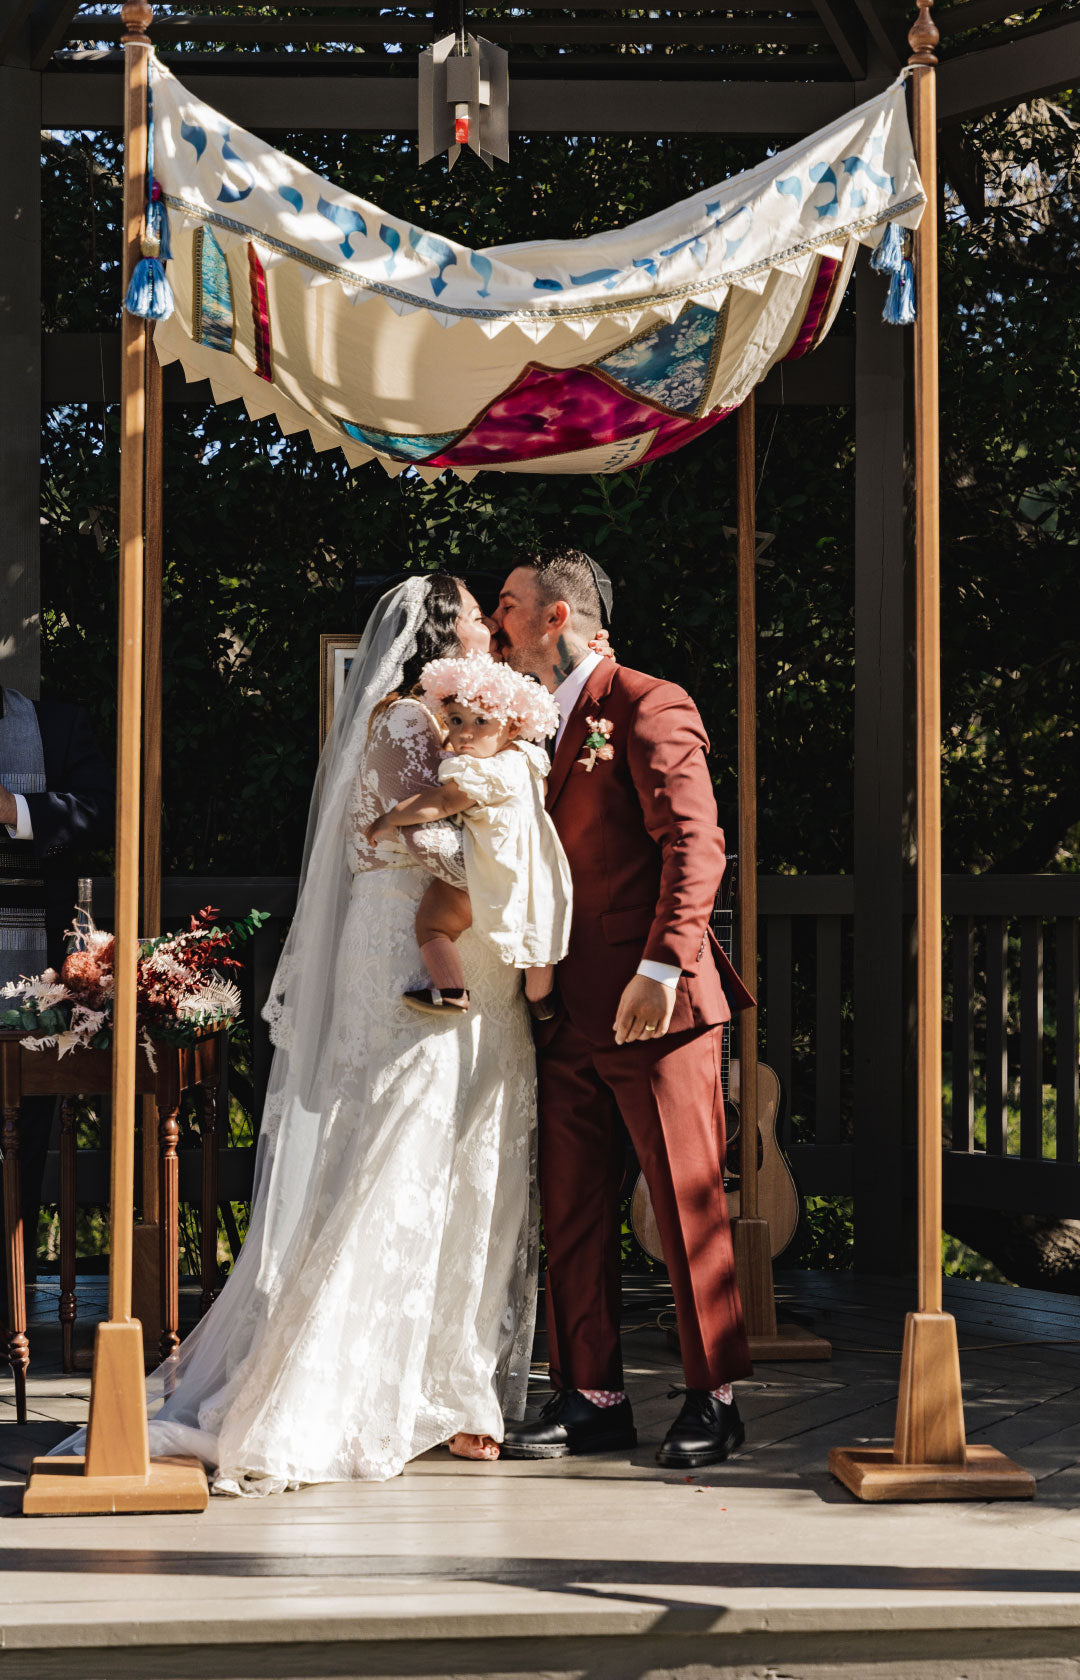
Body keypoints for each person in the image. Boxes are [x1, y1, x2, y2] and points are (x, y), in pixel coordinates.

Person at [57, 574, 540, 1486]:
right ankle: (327, 1385)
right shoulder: (401, 721)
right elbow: (408, 845)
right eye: (477, 613)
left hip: (450, 948)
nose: (488, 628)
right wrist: (503, 817)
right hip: (397, 949)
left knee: (453, 1158)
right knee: (391, 1153)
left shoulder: (455, 730)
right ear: (442, 631)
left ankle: (437, 1386)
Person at [492, 547, 756, 1470]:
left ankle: (713, 1398)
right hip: (562, 1008)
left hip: (657, 1010)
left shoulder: (647, 702)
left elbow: (697, 844)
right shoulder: (525, 725)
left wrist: (664, 964)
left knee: (687, 1208)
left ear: (556, 616)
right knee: (570, 1213)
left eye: (510, 606)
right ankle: (592, 1395)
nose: (496, 622)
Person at [364, 652, 571, 1022]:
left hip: (489, 868)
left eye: (481, 721)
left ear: (511, 728)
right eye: (456, 721)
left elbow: (443, 801)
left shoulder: (485, 772)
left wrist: (392, 817)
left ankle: (451, 989)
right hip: (536, 871)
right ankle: (540, 998)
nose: (466, 733)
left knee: (433, 922)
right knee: (539, 931)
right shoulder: (528, 760)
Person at [0, 686, 112, 1289]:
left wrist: (12, 807)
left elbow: (101, 809)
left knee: (24, 1137)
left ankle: (8, 1299)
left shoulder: (58, 724)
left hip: (30, 980)